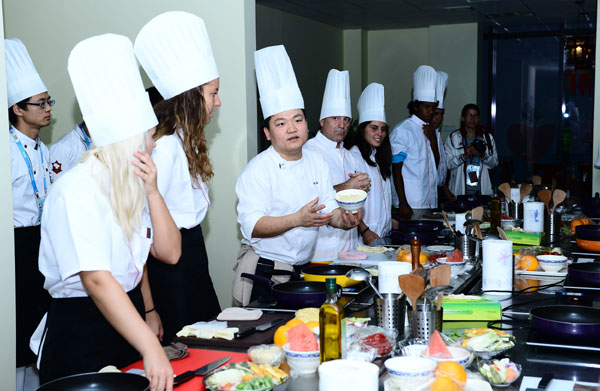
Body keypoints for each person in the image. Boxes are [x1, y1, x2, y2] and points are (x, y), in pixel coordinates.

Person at [34, 34, 180, 391]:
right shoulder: (76, 190)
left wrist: (153, 193)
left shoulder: (131, 184)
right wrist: (151, 346)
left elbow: (170, 253)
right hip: (81, 328)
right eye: (149, 137)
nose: (153, 145)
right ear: (129, 141)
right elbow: (97, 280)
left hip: (124, 318)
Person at [233, 45, 361, 306]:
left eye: (298, 119)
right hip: (263, 271)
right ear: (268, 133)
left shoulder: (316, 161)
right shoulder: (258, 169)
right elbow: (252, 225)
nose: (292, 128)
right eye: (281, 123)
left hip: (302, 271)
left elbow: (329, 209)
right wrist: (297, 219)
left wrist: (345, 219)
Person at [134, 11, 222, 343]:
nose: (218, 102)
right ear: (191, 97)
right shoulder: (166, 149)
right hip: (170, 268)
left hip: (192, 255)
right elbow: (141, 233)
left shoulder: (188, 141)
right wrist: (149, 307)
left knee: (207, 341)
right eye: (213, 93)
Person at [5, 38, 53, 385]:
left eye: (49, 101)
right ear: (18, 109)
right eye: (40, 103)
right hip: (15, 247)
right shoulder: (6, 150)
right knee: (18, 328)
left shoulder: (43, 148)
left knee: (42, 326)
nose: (48, 108)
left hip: (41, 242)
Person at [304, 69, 368, 260]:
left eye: (346, 120)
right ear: (322, 121)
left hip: (351, 246)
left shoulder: (351, 157)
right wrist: (347, 188)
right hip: (322, 250)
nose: (342, 125)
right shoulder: (309, 151)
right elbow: (307, 199)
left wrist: (363, 186)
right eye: (335, 118)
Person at [390, 65, 445, 220]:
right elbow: (396, 169)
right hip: (411, 203)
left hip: (429, 201)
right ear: (415, 106)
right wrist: (402, 202)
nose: (431, 111)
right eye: (426, 107)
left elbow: (436, 165)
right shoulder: (403, 130)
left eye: (433, 107)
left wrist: (433, 140)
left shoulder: (430, 131)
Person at [348, 83, 392, 245]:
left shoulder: (379, 156)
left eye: (383, 129)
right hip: (366, 236)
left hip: (382, 233)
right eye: (374, 128)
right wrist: (364, 230)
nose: (379, 134)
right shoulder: (354, 156)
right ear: (362, 129)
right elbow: (349, 202)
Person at [445, 103, 498, 196]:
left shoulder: (487, 138)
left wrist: (482, 156)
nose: (473, 119)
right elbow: (448, 164)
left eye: (475, 116)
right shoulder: (454, 138)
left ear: (479, 119)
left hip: (483, 193)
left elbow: (494, 163)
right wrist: (464, 155)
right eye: (469, 115)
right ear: (463, 118)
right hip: (459, 193)